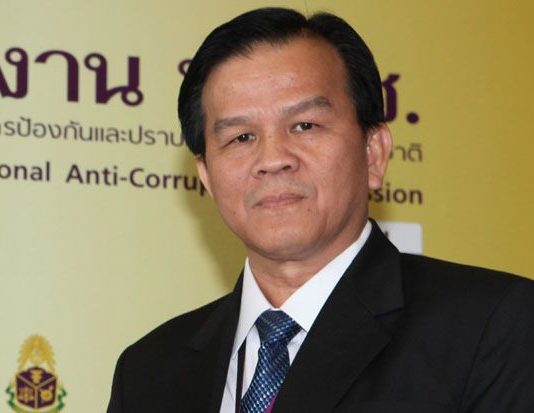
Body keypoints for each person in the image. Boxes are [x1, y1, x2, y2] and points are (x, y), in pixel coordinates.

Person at [107, 7, 534, 413]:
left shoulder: (493, 325)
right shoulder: (148, 372)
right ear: (206, 176)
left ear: (374, 152)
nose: (273, 159)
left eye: (304, 126)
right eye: (241, 137)